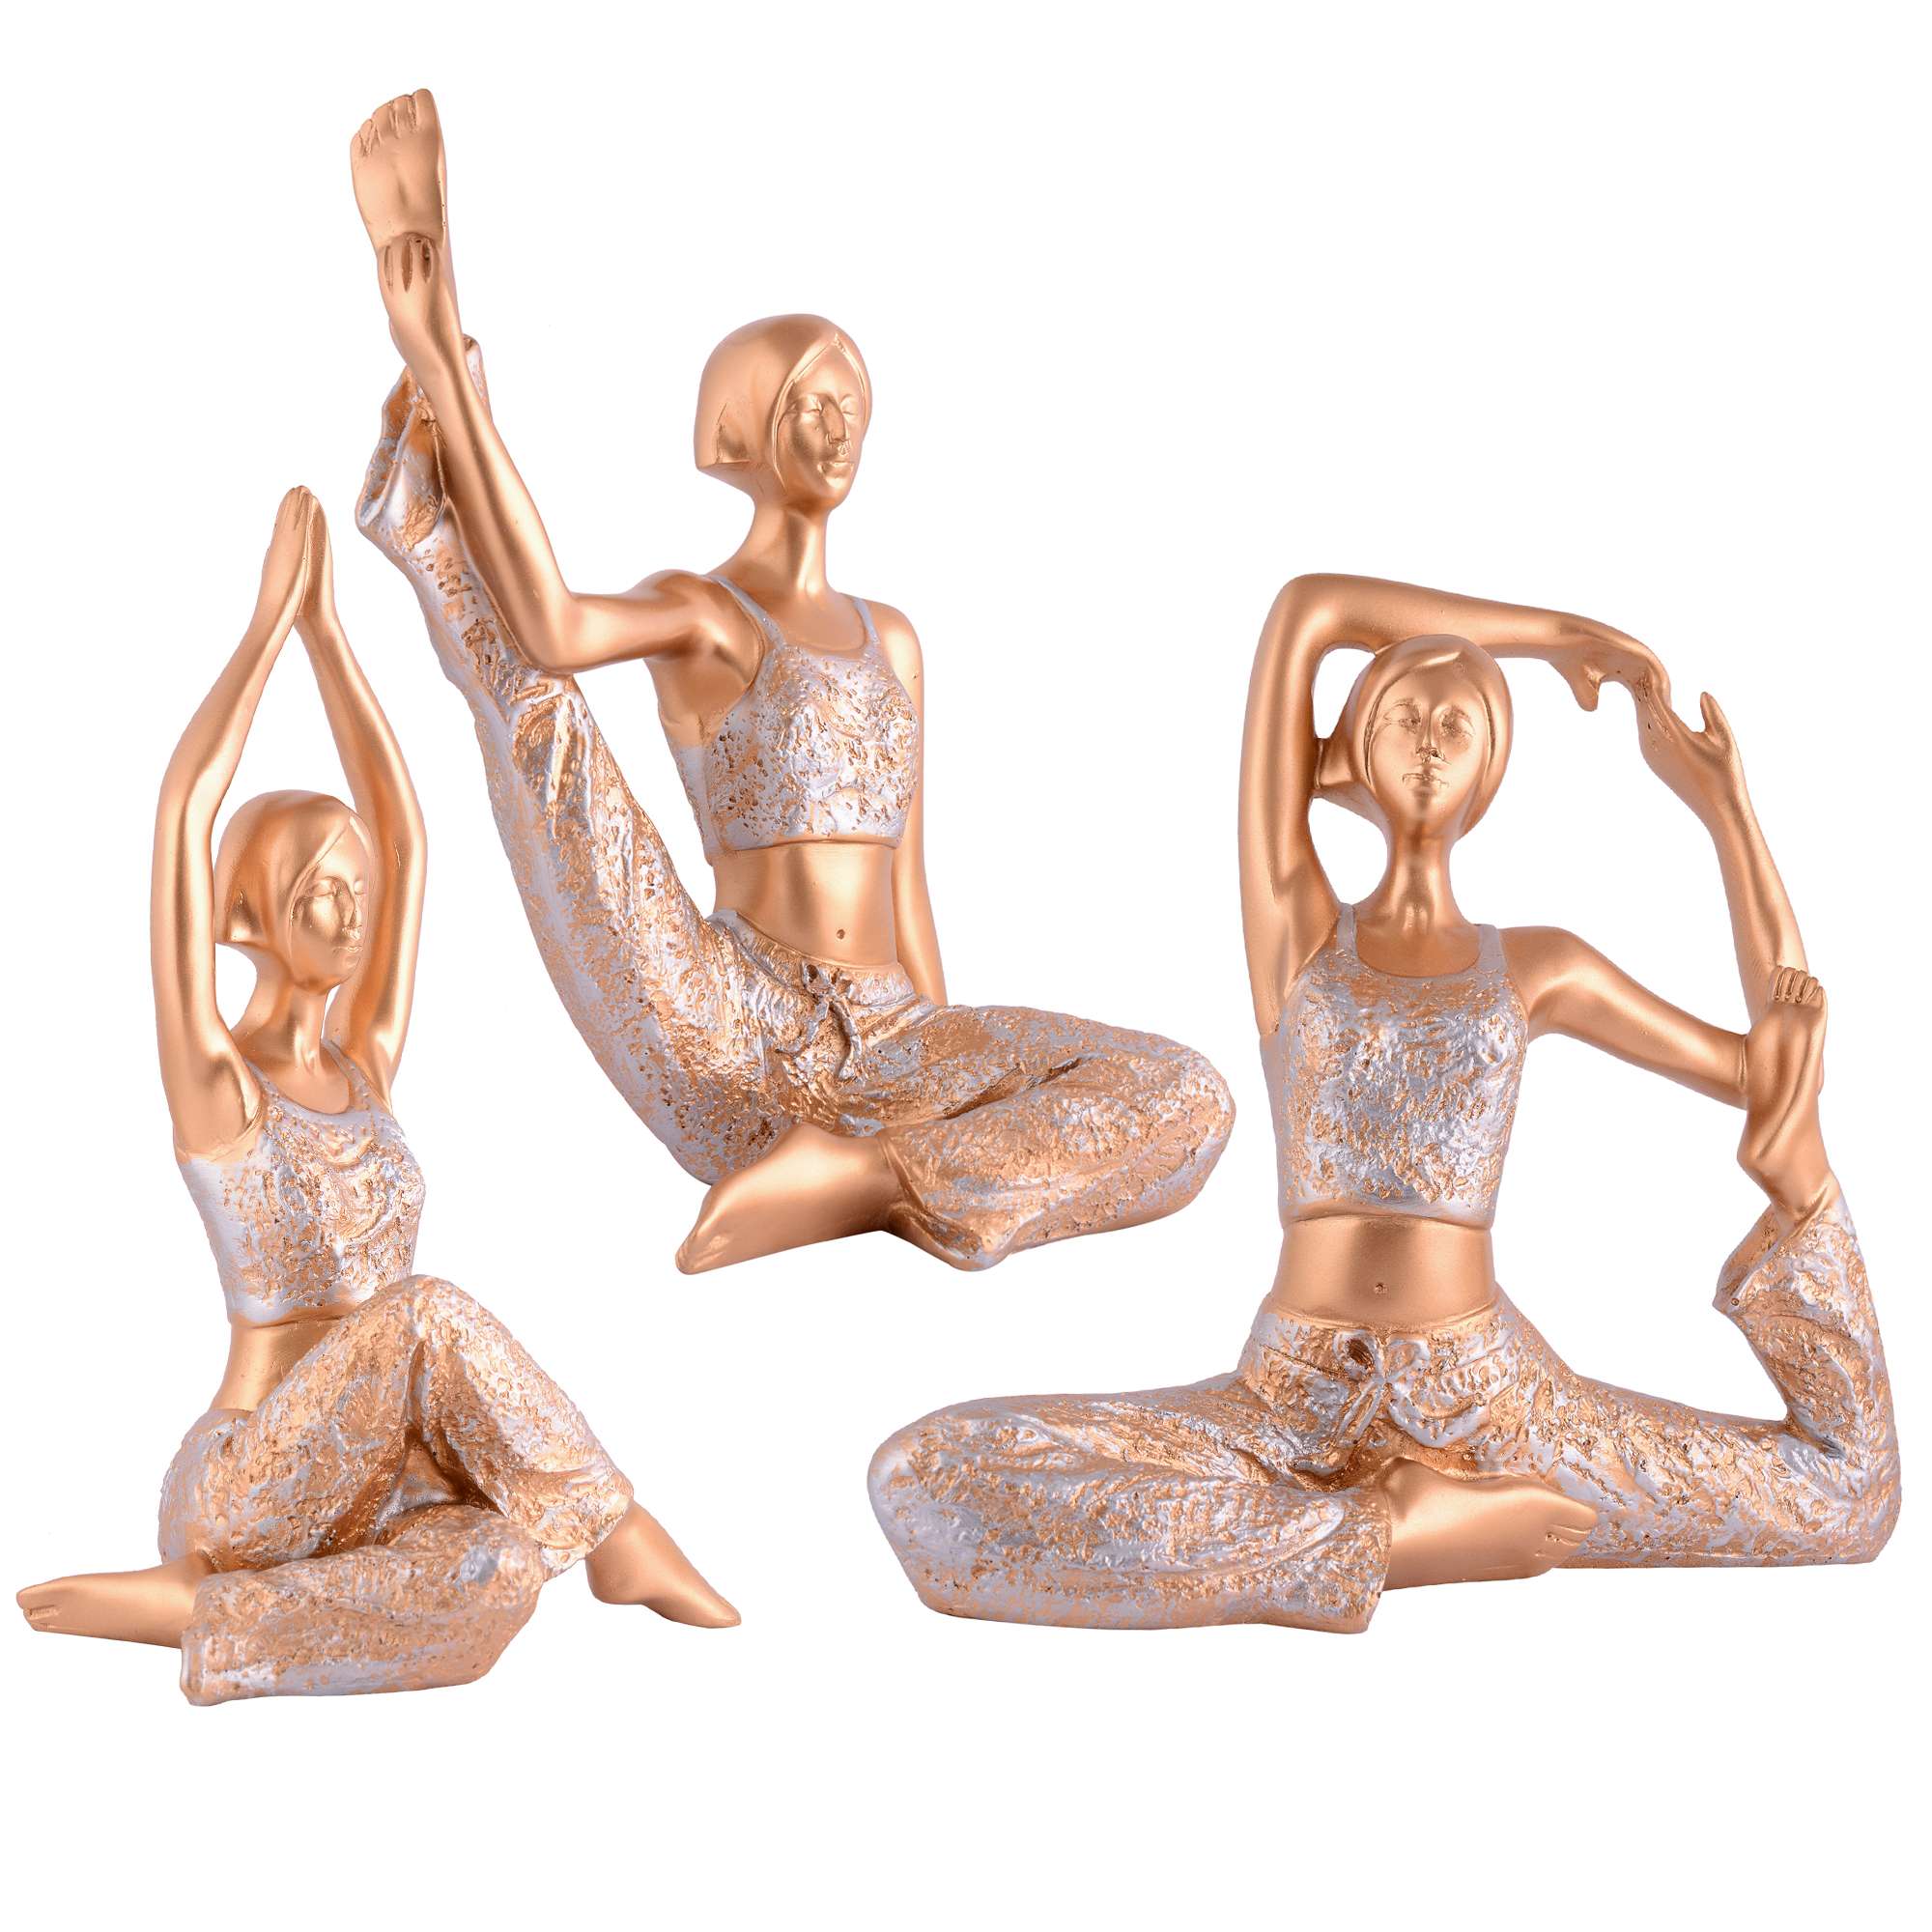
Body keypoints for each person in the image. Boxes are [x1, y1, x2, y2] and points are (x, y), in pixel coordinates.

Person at [869, 576, 1897, 1631]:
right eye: (1404, 714)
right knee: (927, 1474)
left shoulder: (1538, 965)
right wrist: (1557, 637)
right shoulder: (1300, 930)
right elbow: (1308, 611)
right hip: (1287, 1409)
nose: (1428, 742)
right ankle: (1395, 1540)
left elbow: (1767, 1066)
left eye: (1458, 725)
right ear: (1351, 746)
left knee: (1842, 1498)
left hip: (1498, 1419)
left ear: (1491, 766)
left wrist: (1723, 811)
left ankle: (1313, 1541)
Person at [349, 89, 1234, 1274]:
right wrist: (443, 365)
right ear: (743, 426)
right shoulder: (709, 611)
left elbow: (908, 876)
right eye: (810, 401)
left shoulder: (895, 640)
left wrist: (950, 1084)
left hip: (898, 1045)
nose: (838, 425)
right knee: (547, 723)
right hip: (733, 1025)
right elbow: (551, 624)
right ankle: (429, 523)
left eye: (851, 403)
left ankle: (869, 1178)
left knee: (1189, 1094)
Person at [17, 492, 736, 1702]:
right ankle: (616, 1528)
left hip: (379, 1481)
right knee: (422, 1312)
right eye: (319, 891)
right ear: (249, 914)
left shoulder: (367, 1062)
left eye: (353, 891)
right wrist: (265, 633)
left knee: (500, 1565)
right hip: (249, 1478)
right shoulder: (219, 1085)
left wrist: (333, 639)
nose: (351, 914)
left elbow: (402, 833)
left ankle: (203, 1612)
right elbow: (182, 818)